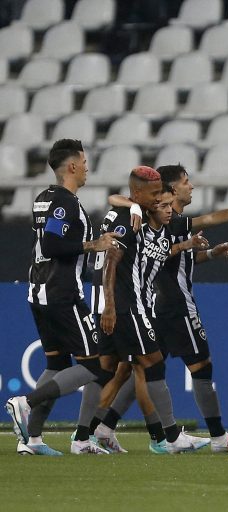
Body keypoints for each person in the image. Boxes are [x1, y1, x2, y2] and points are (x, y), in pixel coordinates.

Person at [94, 165, 228, 453]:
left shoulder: (172, 222)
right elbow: (115, 206)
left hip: (149, 307)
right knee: (199, 366)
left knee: (136, 371)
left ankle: (105, 427)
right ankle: (208, 436)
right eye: (184, 182)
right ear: (167, 192)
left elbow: (172, 255)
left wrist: (202, 250)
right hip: (170, 306)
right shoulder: (151, 218)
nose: (191, 186)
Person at [5, 139, 121, 456]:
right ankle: (25, 403)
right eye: (83, 161)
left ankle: (32, 440)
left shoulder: (45, 198)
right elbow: (55, 246)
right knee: (96, 364)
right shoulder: (65, 203)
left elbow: (48, 243)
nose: (86, 167)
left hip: (39, 291)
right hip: (62, 294)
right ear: (71, 166)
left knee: (56, 363)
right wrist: (92, 245)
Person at [92, 168, 210, 454]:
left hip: (133, 305)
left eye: (165, 200)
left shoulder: (152, 227)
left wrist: (188, 244)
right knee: (149, 366)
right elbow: (112, 259)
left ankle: (94, 431)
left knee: (111, 371)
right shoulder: (134, 219)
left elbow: (163, 251)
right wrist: (109, 305)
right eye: (159, 198)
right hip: (126, 306)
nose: (163, 205)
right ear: (142, 196)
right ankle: (165, 436)